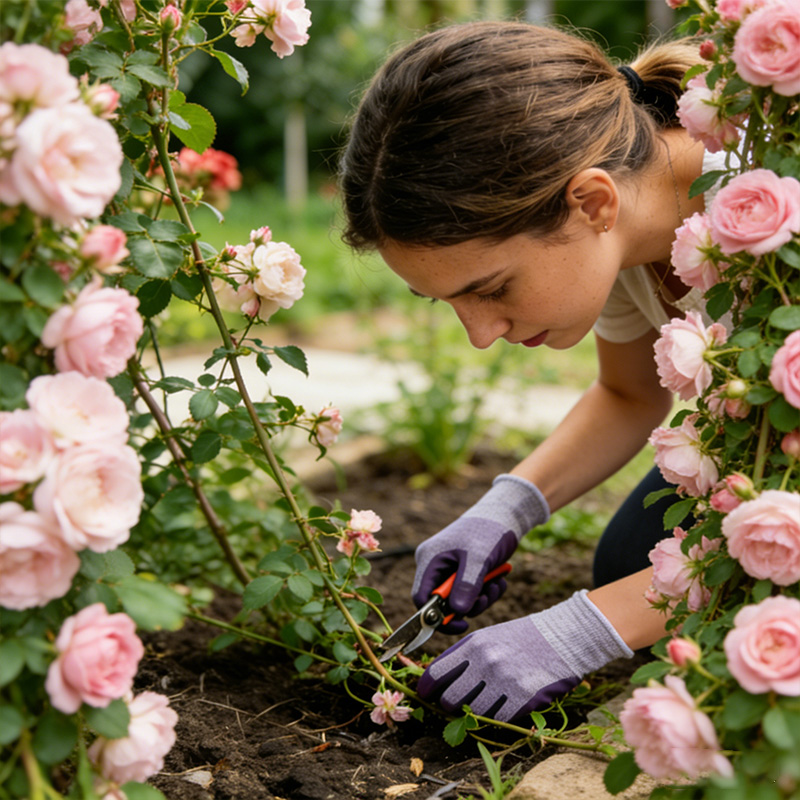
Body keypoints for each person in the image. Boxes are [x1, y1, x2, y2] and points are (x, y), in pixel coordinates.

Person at [339, 19, 720, 723]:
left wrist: (585, 630)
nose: (482, 335)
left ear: (592, 201)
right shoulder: (623, 233)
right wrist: (508, 505)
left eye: (491, 287)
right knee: (633, 562)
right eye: (447, 301)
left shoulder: (767, 215)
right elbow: (630, 392)